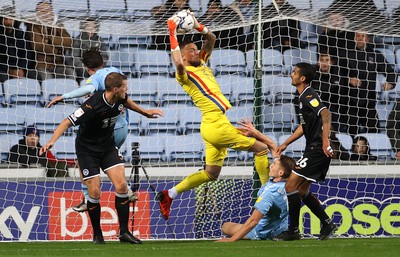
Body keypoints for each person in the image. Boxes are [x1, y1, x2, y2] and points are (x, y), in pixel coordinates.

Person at [156, 12, 278, 221]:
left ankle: (170, 194)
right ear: (184, 56)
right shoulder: (184, 73)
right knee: (261, 149)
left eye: (196, 49)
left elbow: (211, 39)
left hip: (212, 124)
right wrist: (172, 32)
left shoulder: (201, 63)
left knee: (211, 174)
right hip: (215, 124)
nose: (196, 52)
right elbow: (177, 63)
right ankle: (266, 194)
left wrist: (197, 25)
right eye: (191, 50)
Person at [40, 72, 162, 244]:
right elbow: (67, 122)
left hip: (107, 147)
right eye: (125, 86)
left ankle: (124, 232)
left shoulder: (120, 97)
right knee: (95, 191)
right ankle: (97, 235)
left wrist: (145, 113)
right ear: (115, 89)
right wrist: (51, 141)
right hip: (87, 150)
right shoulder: (92, 106)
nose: (127, 89)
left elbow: (126, 102)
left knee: (121, 185)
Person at [47, 47, 151, 212]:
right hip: (122, 127)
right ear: (103, 62)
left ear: (88, 69)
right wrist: (145, 112)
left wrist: (64, 96)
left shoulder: (94, 78)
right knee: (109, 162)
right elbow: (124, 98)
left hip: (106, 129)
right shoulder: (115, 72)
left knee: (85, 161)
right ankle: (125, 190)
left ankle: (87, 198)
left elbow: (88, 90)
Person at [275, 62, 337, 241]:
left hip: (317, 149)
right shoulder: (301, 97)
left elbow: (325, 113)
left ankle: (293, 230)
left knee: (290, 186)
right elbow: (303, 127)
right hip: (313, 148)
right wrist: (286, 143)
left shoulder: (308, 94)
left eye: (294, 72)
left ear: (302, 78)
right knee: (301, 191)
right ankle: (326, 223)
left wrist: (325, 141)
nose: (291, 75)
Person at [217, 119, 295, 242]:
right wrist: (255, 133)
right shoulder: (288, 183)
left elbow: (254, 220)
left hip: (262, 232)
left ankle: (249, 236)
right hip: (281, 230)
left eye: (274, 165)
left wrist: (232, 239)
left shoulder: (270, 192)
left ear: (281, 173)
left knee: (226, 227)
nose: (271, 165)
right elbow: (273, 147)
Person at [338, 31, 398, 137]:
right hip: (349, 103)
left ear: (368, 39)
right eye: (358, 36)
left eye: (363, 36)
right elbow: (336, 73)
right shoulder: (346, 54)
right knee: (351, 134)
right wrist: (348, 79)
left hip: (368, 102)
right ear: (354, 38)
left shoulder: (375, 55)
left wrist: (390, 83)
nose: (360, 38)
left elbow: (390, 71)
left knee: (375, 133)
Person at [26, 1, 74, 81]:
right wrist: (57, 50)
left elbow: (69, 42)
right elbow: (38, 46)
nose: (45, 13)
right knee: (47, 77)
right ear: (37, 13)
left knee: (70, 73)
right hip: (41, 64)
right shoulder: (33, 25)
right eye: (42, 11)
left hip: (59, 64)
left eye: (47, 10)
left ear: (51, 11)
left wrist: (51, 40)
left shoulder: (58, 24)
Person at [9, 125, 74, 177]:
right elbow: (12, 165)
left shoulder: (43, 150)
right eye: (30, 135)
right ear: (25, 137)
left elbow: (54, 161)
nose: (33, 138)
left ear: (39, 138)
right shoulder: (16, 149)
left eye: (35, 136)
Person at [0, 6, 34, 82]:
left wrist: (22, 69)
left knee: (34, 75)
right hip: (3, 70)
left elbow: (27, 55)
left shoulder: (22, 34)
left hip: (21, 69)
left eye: (10, 19)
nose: (8, 22)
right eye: (5, 19)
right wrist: (8, 70)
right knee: (3, 77)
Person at [72, 17, 109, 82]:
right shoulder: (78, 40)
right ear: (84, 28)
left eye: (93, 27)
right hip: (81, 71)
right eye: (88, 27)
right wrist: (85, 69)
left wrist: (98, 68)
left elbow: (104, 56)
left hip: (98, 70)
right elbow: (75, 57)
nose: (91, 29)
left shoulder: (100, 40)